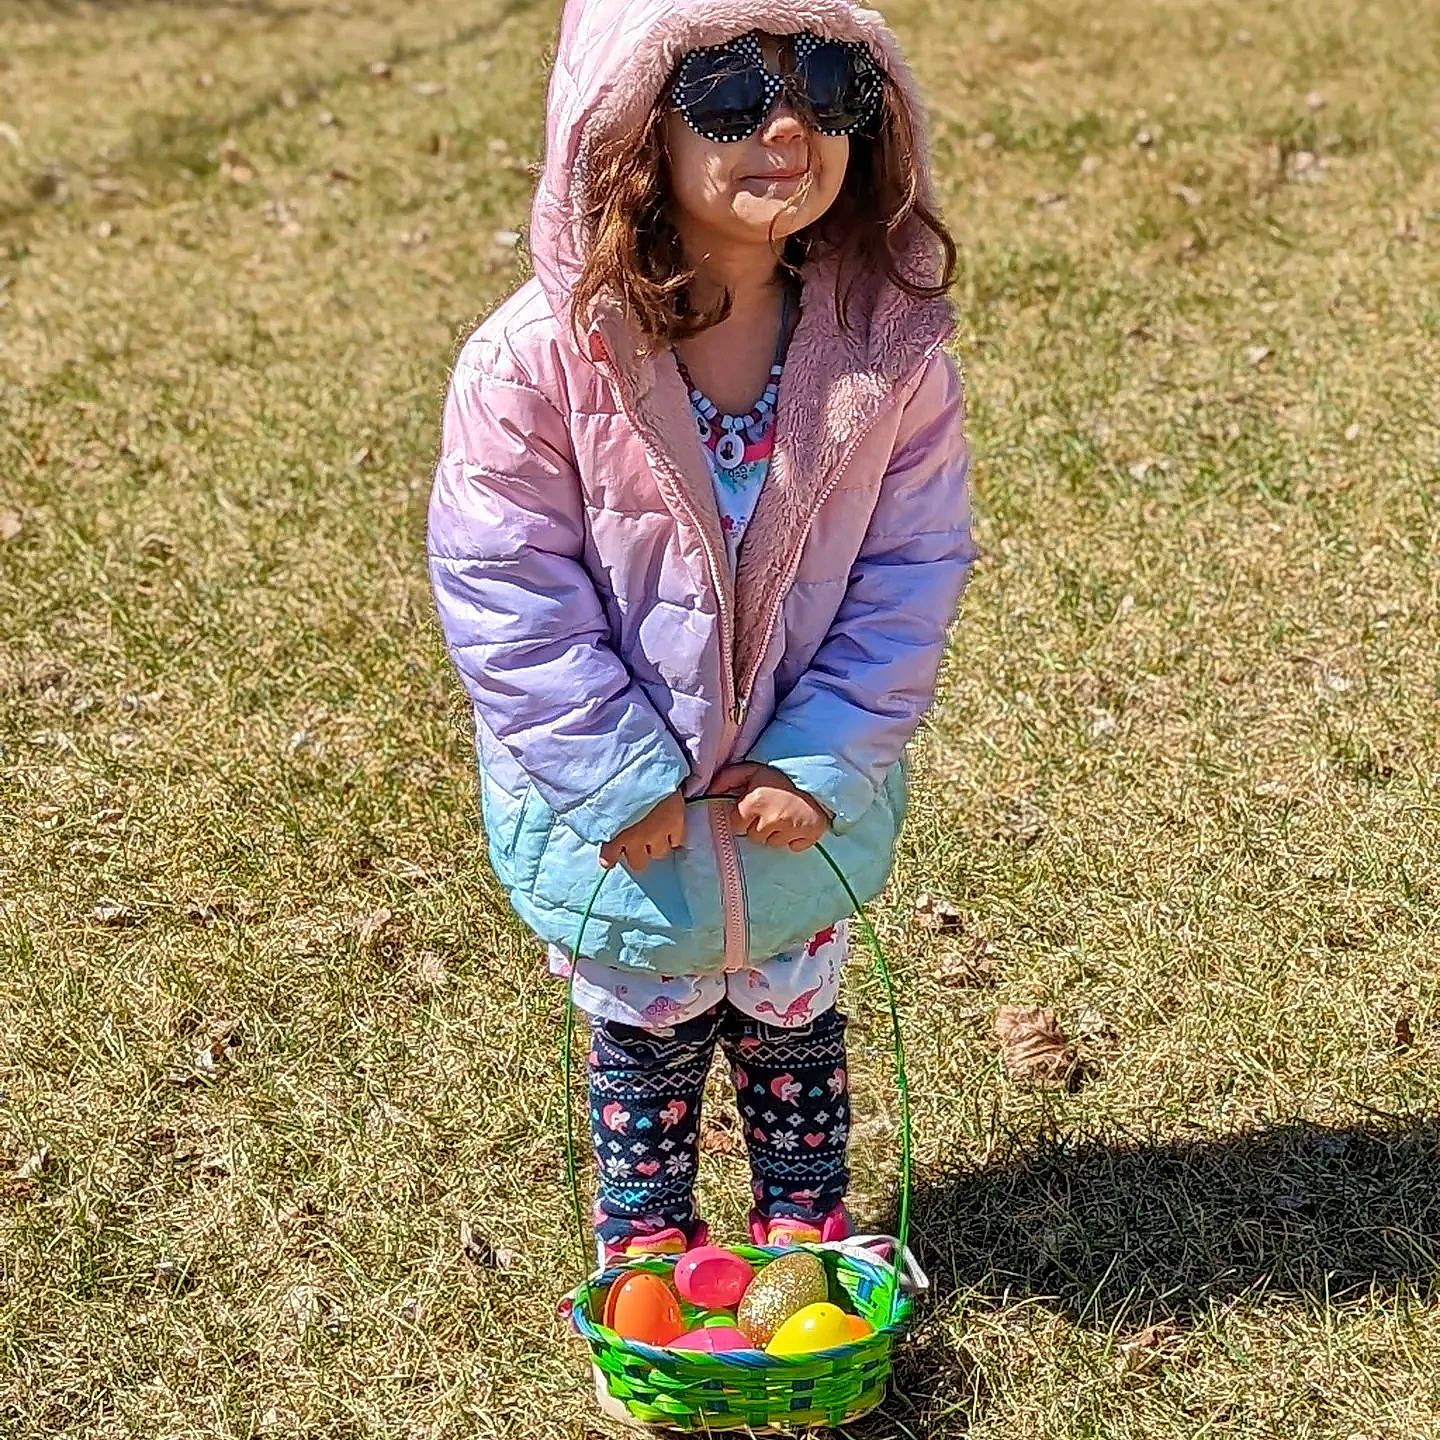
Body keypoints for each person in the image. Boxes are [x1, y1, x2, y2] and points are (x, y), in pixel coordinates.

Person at [428, 0, 976, 1264]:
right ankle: (651, 1264)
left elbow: (914, 562)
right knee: (644, 1042)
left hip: (798, 816)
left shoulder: (885, 350)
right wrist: (610, 776)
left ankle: (805, 1246)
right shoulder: (534, 362)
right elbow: (504, 580)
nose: (787, 123)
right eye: (728, 92)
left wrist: (821, 759)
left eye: (828, 82)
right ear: (627, 129)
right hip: (623, 827)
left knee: (798, 1022)